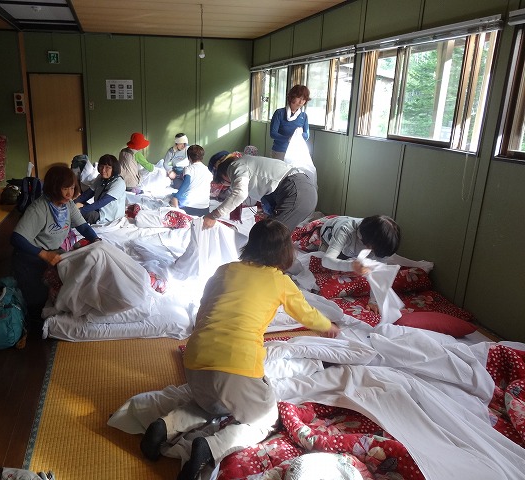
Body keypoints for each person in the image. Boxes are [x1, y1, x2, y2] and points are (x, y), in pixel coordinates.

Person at [140, 218, 340, 480]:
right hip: (237, 367)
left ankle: (165, 426)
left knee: (214, 406)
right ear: (285, 252)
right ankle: (210, 447)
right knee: (265, 419)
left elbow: (203, 309)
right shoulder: (280, 281)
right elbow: (306, 313)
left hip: (195, 360)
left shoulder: (224, 270)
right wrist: (328, 326)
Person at [10, 164, 100, 319]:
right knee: (36, 302)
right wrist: (44, 254)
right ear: (53, 188)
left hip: (51, 253)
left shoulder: (68, 205)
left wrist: (96, 240)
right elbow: (16, 238)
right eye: (65, 188)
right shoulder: (39, 208)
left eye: (72, 188)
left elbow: (83, 227)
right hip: (30, 256)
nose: (69, 193)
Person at [301, 215, 401, 313]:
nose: (375, 254)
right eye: (373, 250)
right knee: (324, 264)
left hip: (355, 242)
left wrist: (374, 301)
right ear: (368, 244)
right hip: (330, 235)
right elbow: (326, 261)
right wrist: (351, 266)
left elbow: (379, 273)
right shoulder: (346, 230)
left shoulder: (380, 244)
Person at [203, 153, 317, 232]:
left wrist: (213, 216)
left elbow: (240, 193)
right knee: (275, 235)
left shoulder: (235, 166)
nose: (227, 184)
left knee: (270, 236)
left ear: (222, 173)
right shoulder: (246, 163)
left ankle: (270, 261)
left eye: (223, 181)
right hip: (301, 190)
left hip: (295, 191)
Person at [74, 154, 126, 225]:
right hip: (98, 209)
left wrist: (80, 210)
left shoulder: (119, 183)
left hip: (107, 217)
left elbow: (102, 202)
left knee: (77, 214)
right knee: (76, 206)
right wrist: (72, 203)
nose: (103, 170)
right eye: (101, 166)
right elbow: (87, 194)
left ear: (114, 169)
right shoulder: (100, 178)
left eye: (107, 167)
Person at [169, 145, 212, 216]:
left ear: (189, 157)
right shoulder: (207, 170)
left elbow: (186, 183)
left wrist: (176, 197)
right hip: (205, 209)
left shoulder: (189, 169)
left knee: (171, 198)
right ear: (202, 157)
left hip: (189, 208)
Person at [270, 85, 310, 160]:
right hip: (280, 151)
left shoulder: (304, 116)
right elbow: (273, 133)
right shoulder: (279, 113)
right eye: (299, 98)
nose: (301, 102)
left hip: (296, 152)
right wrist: (288, 138)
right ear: (292, 97)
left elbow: (307, 135)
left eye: (304, 99)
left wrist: (299, 135)